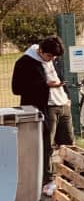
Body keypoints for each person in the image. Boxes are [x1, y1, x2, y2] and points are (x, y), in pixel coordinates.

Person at [12, 35, 72, 185]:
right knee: (46, 145)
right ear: (40, 50)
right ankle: (47, 179)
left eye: (54, 57)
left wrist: (67, 97)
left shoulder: (54, 58)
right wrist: (45, 85)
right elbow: (16, 88)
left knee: (68, 142)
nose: (51, 59)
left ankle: (71, 176)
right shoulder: (24, 63)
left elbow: (60, 77)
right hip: (45, 107)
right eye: (49, 56)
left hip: (63, 104)